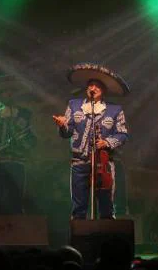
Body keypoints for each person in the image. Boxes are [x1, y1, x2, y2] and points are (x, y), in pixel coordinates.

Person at [53, 63, 129, 219]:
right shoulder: (74, 105)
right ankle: (78, 240)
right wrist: (62, 125)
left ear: (103, 91)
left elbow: (122, 134)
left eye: (97, 86)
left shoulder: (115, 110)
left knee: (106, 206)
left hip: (104, 163)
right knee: (79, 207)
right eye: (90, 85)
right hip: (79, 162)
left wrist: (107, 142)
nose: (93, 88)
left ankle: (106, 239)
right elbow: (67, 133)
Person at [0, 75, 36, 241]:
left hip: (17, 163)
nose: (9, 95)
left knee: (16, 200)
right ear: (0, 95)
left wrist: (25, 143)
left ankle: (15, 238)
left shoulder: (25, 114)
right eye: (5, 93)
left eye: (11, 93)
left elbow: (32, 139)